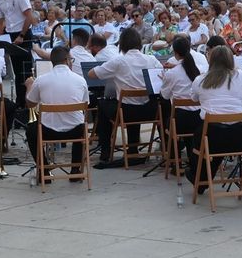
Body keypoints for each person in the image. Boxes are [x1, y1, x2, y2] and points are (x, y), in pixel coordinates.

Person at [185, 44, 242, 197]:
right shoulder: (241, 76)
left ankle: (199, 177)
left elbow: (193, 98)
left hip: (212, 136)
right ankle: (201, 178)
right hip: (240, 135)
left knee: (201, 135)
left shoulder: (201, 79)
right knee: (217, 133)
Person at [91, 27, 158, 167]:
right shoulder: (151, 59)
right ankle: (133, 148)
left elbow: (92, 74)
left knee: (103, 104)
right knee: (135, 102)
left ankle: (105, 150)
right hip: (150, 112)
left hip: (126, 113)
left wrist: (110, 73)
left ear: (122, 44)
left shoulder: (119, 61)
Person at [25, 45, 90, 177]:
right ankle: (75, 169)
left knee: (31, 130)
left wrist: (29, 86)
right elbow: (85, 105)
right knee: (81, 126)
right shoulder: (80, 80)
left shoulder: (41, 80)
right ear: (67, 60)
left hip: (48, 131)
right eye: (71, 60)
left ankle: (44, 169)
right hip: (75, 131)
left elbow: (30, 104)